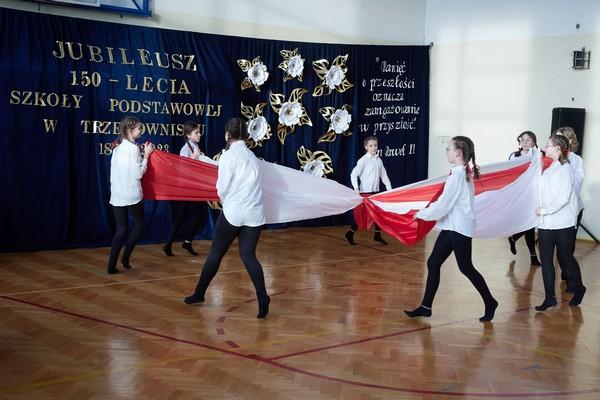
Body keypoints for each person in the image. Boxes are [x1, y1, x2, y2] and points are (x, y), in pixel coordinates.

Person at [184, 117, 270, 319]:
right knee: (248, 256)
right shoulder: (252, 157)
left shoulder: (228, 156)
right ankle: (262, 297)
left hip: (234, 213)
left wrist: (226, 200)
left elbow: (222, 189)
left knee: (216, 253)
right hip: (254, 213)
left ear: (227, 135)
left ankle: (199, 293)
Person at [404, 136, 498, 322]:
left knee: (466, 267)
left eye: (449, 149)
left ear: (458, 152)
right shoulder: (461, 173)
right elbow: (445, 203)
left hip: (459, 228)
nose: (446, 152)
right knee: (433, 263)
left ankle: (490, 302)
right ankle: (426, 307)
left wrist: (421, 214)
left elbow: (443, 205)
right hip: (451, 226)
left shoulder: (458, 176)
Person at [534, 134, 586, 311]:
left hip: (563, 222)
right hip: (546, 222)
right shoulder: (550, 167)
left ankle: (580, 288)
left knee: (566, 257)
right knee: (546, 260)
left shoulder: (565, 168)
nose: (545, 148)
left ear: (557, 149)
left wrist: (544, 210)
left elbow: (563, 198)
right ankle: (550, 298)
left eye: (548, 145)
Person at [107, 116, 154, 274]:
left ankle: (111, 266)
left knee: (121, 230)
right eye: (139, 128)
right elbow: (138, 174)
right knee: (138, 225)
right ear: (129, 130)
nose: (141, 131)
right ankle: (125, 258)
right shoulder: (133, 149)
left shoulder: (117, 148)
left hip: (117, 195)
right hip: (132, 195)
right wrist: (146, 156)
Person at [163, 121, 213, 257]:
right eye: (196, 132)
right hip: (186, 188)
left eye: (199, 132)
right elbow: (182, 169)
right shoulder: (185, 149)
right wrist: (193, 157)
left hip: (193, 187)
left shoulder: (195, 146)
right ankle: (181, 243)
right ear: (188, 135)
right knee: (189, 215)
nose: (199, 134)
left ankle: (177, 243)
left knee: (187, 215)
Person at [344, 136, 392, 245]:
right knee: (363, 216)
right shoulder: (363, 160)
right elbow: (353, 174)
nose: (374, 147)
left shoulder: (379, 161)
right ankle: (350, 233)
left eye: (375, 145)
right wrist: (356, 188)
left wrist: (390, 190)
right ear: (366, 147)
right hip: (365, 193)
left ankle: (377, 235)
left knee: (378, 214)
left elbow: (384, 176)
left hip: (375, 193)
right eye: (371, 146)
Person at [553, 127, 585, 292]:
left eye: (561, 138)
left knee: (567, 249)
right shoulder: (551, 159)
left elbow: (577, 184)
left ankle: (572, 280)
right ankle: (566, 274)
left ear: (570, 140)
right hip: (556, 210)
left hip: (572, 209)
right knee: (560, 249)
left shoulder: (576, 160)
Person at [507, 131, 542, 266]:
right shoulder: (514, 156)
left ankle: (514, 239)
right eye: (523, 140)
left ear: (534, 142)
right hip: (518, 195)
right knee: (528, 224)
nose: (525, 142)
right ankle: (532, 255)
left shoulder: (538, 155)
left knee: (530, 224)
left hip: (532, 195)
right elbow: (509, 174)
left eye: (529, 140)